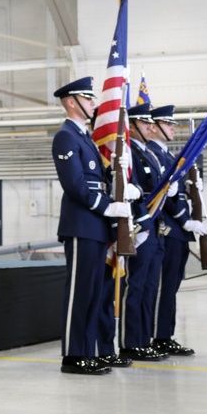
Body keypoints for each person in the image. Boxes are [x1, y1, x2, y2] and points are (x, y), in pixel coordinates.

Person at [52, 77, 131, 375]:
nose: (94, 104)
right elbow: (74, 183)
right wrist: (104, 206)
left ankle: (87, 352)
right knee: (78, 292)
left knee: (94, 292)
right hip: (81, 223)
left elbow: (96, 179)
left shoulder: (83, 137)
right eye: (88, 99)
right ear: (72, 101)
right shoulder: (66, 137)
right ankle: (73, 356)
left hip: (95, 225)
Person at [148, 104, 205, 356]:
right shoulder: (153, 154)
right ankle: (158, 336)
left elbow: (179, 192)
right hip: (168, 229)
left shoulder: (168, 156)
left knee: (172, 285)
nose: (173, 127)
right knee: (164, 285)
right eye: (168, 124)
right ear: (154, 126)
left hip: (178, 231)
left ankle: (165, 335)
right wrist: (184, 220)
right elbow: (163, 194)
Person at [118, 103, 170, 362]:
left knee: (150, 286)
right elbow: (135, 189)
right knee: (136, 286)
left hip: (155, 224)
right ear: (133, 126)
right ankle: (131, 342)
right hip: (142, 224)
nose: (152, 126)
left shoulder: (147, 152)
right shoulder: (131, 154)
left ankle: (143, 339)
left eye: (152, 122)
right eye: (145, 122)